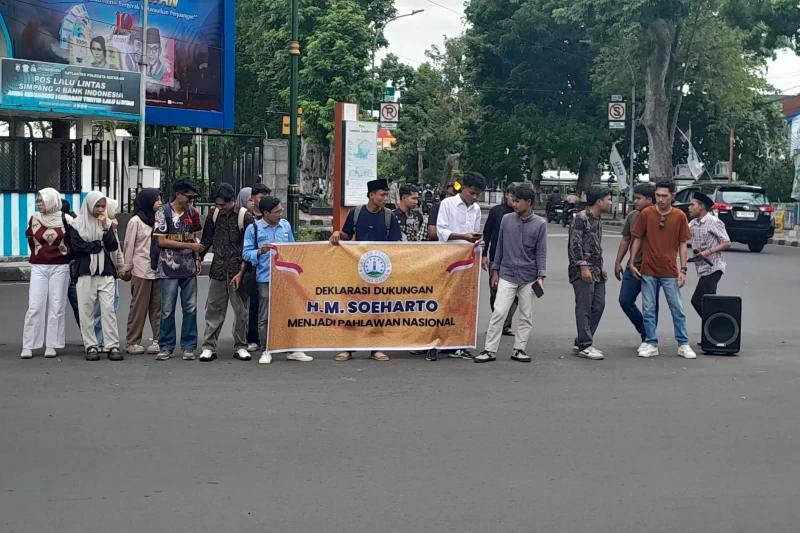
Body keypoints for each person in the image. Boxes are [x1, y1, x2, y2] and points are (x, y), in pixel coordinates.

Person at [330, 178, 402, 361]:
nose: (385, 198)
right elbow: (347, 235)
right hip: (357, 269)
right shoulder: (356, 213)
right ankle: (348, 348)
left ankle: (375, 348)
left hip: (381, 271)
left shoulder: (389, 216)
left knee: (377, 309)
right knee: (353, 307)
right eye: (382, 195)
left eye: (386, 195)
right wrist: (338, 233)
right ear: (371, 195)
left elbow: (395, 244)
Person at [475, 185, 547, 363]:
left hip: (529, 276)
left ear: (528, 202)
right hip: (506, 273)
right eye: (512, 200)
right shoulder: (507, 220)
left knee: (526, 315)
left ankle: (519, 349)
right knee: (499, 312)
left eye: (517, 201)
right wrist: (495, 270)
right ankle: (489, 350)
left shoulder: (540, 224)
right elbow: (499, 246)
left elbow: (541, 251)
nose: (513, 204)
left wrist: (541, 276)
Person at [629, 180, 696, 359]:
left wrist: (683, 269)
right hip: (648, 268)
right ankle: (651, 342)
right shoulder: (647, 214)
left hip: (670, 270)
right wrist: (631, 262)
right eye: (658, 195)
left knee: (677, 308)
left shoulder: (680, 216)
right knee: (648, 308)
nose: (660, 199)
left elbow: (683, 244)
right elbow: (636, 238)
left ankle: (683, 343)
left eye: (664, 196)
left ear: (673, 196)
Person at [243, 196, 313, 364]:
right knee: (265, 316)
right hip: (265, 278)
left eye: (281, 210)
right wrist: (260, 251)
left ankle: (293, 349)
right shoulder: (254, 228)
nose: (280, 214)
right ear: (266, 213)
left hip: (285, 278)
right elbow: (246, 253)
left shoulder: (286, 226)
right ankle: (267, 349)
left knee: (290, 313)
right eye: (276, 212)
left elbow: (293, 248)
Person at [432, 171, 487, 361]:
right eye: (472, 193)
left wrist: (476, 243)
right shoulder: (447, 204)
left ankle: (460, 343)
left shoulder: (476, 209)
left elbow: (474, 233)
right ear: (462, 188)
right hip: (448, 259)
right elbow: (441, 231)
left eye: (477, 194)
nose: (474, 197)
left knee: (464, 303)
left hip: (468, 261)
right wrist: (463, 237)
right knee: (444, 300)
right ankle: (438, 341)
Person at [198, 183, 255, 362]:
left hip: (239, 270)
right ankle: (208, 346)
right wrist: (197, 258)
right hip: (218, 268)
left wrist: (242, 270)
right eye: (217, 204)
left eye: (223, 204)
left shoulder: (245, 217)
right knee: (214, 308)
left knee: (241, 310)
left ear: (232, 201)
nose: (219, 208)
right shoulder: (214, 215)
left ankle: (241, 345)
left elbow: (250, 246)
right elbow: (207, 239)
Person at [153, 177, 204, 361]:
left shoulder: (193, 212)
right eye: (188, 197)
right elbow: (162, 241)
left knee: (190, 307)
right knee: (167, 308)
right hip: (168, 266)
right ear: (178, 194)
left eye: (192, 198)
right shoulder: (162, 212)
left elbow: (194, 238)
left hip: (189, 266)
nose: (190, 201)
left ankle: (189, 346)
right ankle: (166, 346)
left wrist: (197, 257)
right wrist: (191, 248)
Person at [68, 191, 122, 361]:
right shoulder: (76, 224)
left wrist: (106, 229)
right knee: (86, 311)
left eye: (103, 206)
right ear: (89, 206)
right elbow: (78, 247)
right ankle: (91, 346)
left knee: (109, 311)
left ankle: (112, 345)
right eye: (97, 206)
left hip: (105, 272)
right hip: (85, 272)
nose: (100, 210)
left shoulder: (106, 224)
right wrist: (99, 244)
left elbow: (112, 246)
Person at [20, 188, 72, 359]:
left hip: (60, 267)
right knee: (35, 305)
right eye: (38, 200)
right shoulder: (34, 218)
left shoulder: (66, 219)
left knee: (57, 305)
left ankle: (52, 344)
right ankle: (29, 344)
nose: (38, 203)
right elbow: (31, 239)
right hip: (39, 267)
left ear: (51, 201)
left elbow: (77, 237)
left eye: (41, 200)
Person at [568, 186, 612, 360]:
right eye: (608, 199)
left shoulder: (597, 219)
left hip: (596, 269)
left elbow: (595, 245)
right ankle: (585, 345)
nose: (610, 202)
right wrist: (582, 266)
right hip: (583, 270)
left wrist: (600, 265)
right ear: (599, 201)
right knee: (584, 307)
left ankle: (582, 340)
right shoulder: (581, 218)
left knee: (599, 305)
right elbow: (574, 245)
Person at [614, 184, 657, 349]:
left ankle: (649, 339)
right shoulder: (632, 215)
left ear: (649, 200)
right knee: (625, 300)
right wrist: (618, 262)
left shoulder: (659, 216)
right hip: (632, 267)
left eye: (639, 198)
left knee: (650, 306)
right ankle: (644, 330)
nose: (635, 201)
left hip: (652, 268)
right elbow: (626, 239)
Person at [121, 188, 162, 355]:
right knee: (139, 306)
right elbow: (129, 246)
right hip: (140, 269)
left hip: (158, 269)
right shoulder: (135, 222)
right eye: (157, 200)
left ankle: (159, 339)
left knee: (158, 307)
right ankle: (133, 341)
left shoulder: (159, 220)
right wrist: (126, 267)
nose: (160, 203)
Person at [237, 184, 272, 351]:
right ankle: (253, 338)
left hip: (274, 271)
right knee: (254, 304)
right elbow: (245, 249)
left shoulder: (279, 222)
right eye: (259, 198)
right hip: (254, 268)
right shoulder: (248, 219)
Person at [688, 191, 731, 327]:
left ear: (701, 206)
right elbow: (682, 235)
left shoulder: (714, 222)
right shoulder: (693, 223)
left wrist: (708, 252)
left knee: (697, 300)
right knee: (709, 302)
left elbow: (727, 242)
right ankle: (711, 336)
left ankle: (716, 326)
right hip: (702, 268)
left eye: (692, 205)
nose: (689, 207)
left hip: (714, 267)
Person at [481, 184, 517, 336]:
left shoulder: (520, 213)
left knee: (514, 293)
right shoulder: (497, 211)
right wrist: (484, 254)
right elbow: (487, 232)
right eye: (512, 196)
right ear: (507, 194)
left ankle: (506, 324)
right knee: (496, 291)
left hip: (516, 260)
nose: (514, 200)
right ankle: (497, 321)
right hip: (496, 257)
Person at [93, 198, 123, 350]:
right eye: (114, 208)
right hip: (98, 271)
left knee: (112, 305)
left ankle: (107, 338)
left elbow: (116, 249)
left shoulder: (112, 225)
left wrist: (121, 267)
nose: (116, 212)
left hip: (112, 271)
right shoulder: (92, 225)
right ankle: (96, 338)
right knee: (98, 307)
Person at [61, 199, 81, 328]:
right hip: (70, 264)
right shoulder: (73, 218)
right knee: (77, 304)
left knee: (76, 303)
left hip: (68, 264)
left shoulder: (67, 219)